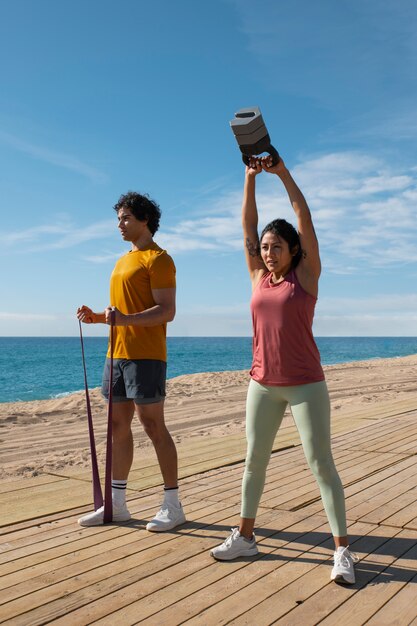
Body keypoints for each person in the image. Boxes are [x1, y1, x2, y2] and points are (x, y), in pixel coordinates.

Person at [210, 156, 358, 584]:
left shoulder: (307, 277)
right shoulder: (258, 276)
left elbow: (303, 215)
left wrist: (281, 173)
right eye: (265, 246)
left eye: (276, 245)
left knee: (321, 464)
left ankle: (342, 550)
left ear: (294, 249)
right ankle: (245, 535)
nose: (268, 251)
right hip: (262, 384)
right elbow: (246, 229)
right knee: (254, 462)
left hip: (306, 385)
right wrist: (248, 180)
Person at [77, 191, 185, 532]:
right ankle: (117, 505)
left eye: (125, 218)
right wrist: (97, 318)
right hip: (116, 354)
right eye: (118, 219)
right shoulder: (122, 260)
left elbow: (167, 311)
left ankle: (173, 505)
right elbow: (119, 312)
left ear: (144, 221)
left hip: (147, 356)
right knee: (117, 427)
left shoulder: (160, 259)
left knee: (153, 427)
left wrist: (123, 319)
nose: (119, 225)